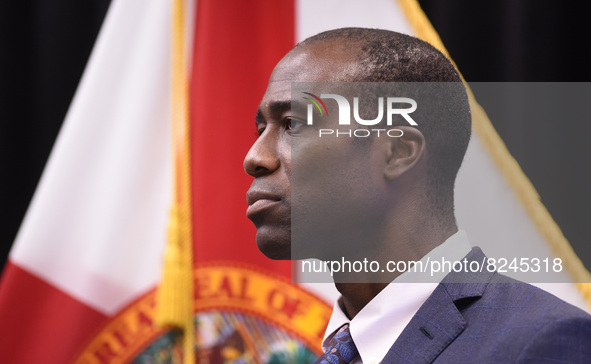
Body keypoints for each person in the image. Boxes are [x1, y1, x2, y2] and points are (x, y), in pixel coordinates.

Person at [244, 28, 591, 363]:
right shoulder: (336, 352)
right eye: (262, 130)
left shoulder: (540, 344)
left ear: (397, 153)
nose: (254, 158)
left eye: (291, 123)